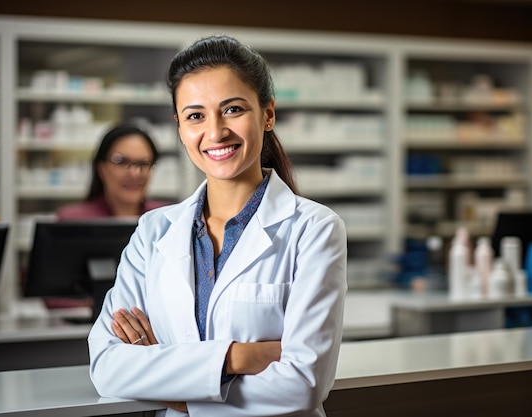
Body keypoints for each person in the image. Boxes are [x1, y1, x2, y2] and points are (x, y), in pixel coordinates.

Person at [88, 35, 348, 417]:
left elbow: (303, 385)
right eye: (195, 116)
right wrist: (235, 357)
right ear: (179, 127)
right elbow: (108, 367)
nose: (215, 132)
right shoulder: (153, 232)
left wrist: (177, 392)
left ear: (268, 114)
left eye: (232, 109)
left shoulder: (314, 229)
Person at [56, 124, 168, 220]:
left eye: (143, 164)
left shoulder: (166, 219)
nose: (135, 173)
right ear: (101, 168)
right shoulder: (73, 220)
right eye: (121, 162)